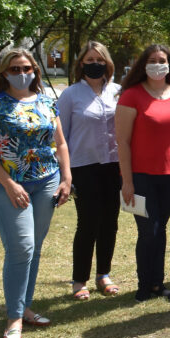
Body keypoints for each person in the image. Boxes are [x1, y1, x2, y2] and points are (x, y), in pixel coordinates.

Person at [0, 49, 71, 338]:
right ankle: (14, 316)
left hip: (45, 182)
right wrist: (8, 183)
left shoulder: (46, 100)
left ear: (35, 71)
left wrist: (66, 178)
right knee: (21, 248)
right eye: (14, 68)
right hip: (6, 186)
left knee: (35, 248)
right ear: (4, 73)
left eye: (26, 67)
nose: (21, 73)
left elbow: (61, 143)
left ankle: (26, 307)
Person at [116, 44, 170, 302]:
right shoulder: (131, 96)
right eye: (152, 60)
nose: (158, 64)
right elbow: (122, 142)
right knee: (149, 230)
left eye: (163, 60)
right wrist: (127, 181)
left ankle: (158, 284)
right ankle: (144, 284)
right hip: (140, 176)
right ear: (143, 65)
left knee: (161, 229)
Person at [57, 41, 122, 300]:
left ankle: (103, 275)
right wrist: (65, 175)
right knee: (87, 225)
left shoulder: (118, 92)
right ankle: (79, 280)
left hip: (114, 167)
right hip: (83, 167)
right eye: (89, 60)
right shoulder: (70, 95)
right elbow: (60, 137)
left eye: (100, 60)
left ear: (107, 63)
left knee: (110, 223)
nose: (95, 64)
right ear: (80, 64)